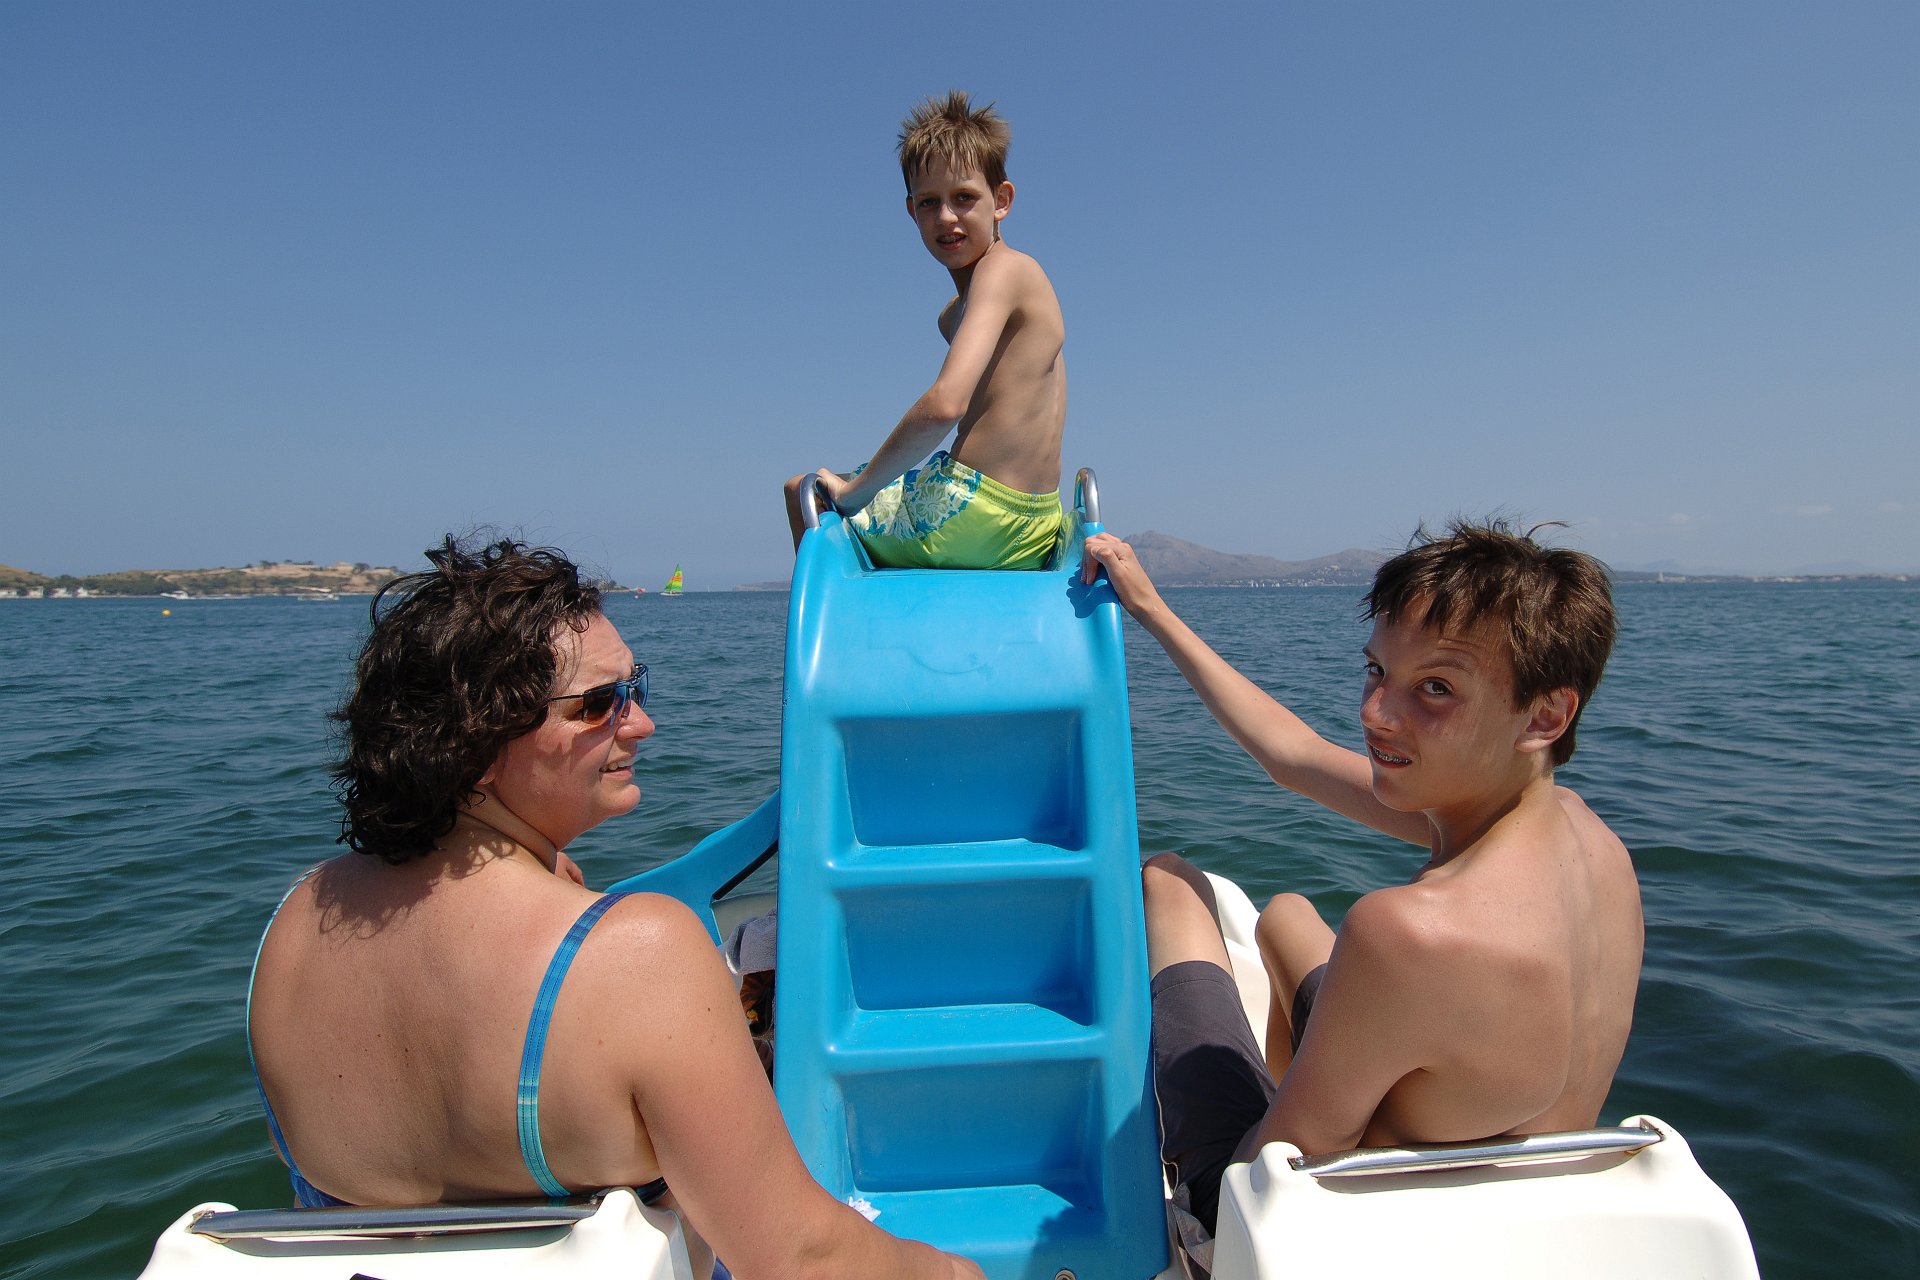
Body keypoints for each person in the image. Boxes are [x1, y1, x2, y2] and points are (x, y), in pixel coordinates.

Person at [248, 536, 983, 1280]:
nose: (640, 723)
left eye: (636, 688)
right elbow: (800, 1258)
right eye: (599, 704)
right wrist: (956, 1274)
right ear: (474, 740)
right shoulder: (635, 955)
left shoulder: (298, 918)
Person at [1080, 521, 1642, 1267]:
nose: (1376, 714)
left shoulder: (1409, 931)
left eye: (1435, 688)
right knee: (1286, 916)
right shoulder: (1592, 844)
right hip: (1515, 1205)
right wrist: (1152, 610)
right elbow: (1295, 756)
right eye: (1378, 671)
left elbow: (1266, 1179)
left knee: (1170, 881)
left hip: (1339, 1233)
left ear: (1544, 716)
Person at [784, 90, 1067, 570]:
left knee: (805, 491)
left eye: (964, 198)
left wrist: (854, 493)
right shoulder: (966, 309)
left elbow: (945, 405)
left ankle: (853, 621)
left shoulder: (1005, 270)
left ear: (1001, 201)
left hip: (975, 517)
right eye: (930, 202)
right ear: (912, 211)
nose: (946, 217)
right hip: (1036, 519)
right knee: (870, 485)